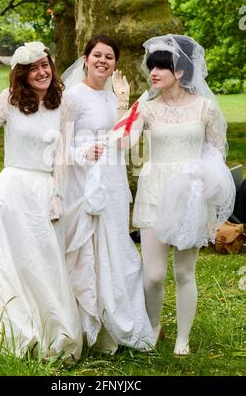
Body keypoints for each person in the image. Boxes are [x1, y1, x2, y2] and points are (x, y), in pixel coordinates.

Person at [0, 42, 82, 360]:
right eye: (34, 68)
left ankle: (48, 331)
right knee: (8, 261)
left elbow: (62, 156)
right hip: (12, 189)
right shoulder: (9, 101)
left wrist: (58, 195)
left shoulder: (63, 104)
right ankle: (8, 330)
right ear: (22, 74)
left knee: (43, 262)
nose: (42, 72)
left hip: (45, 190)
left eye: (45, 65)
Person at [119, 34, 235, 355]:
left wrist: (205, 183)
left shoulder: (205, 108)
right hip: (155, 191)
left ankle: (182, 340)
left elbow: (216, 152)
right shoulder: (147, 107)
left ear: (180, 72)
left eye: (161, 67)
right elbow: (124, 143)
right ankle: (154, 326)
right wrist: (122, 104)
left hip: (190, 196)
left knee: (184, 272)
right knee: (153, 275)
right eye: (151, 67)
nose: (153, 73)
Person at [62, 35, 155, 353]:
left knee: (117, 248)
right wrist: (85, 150)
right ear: (85, 59)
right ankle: (88, 328)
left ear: (116, 63)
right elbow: (61, 145)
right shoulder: (72, 97)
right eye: (97, 55)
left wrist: (122, 103)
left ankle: (116, 327)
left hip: (113, 180)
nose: (103, 61)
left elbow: (121, 143)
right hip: (83, 183)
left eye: (110, 57)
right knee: (89, 251)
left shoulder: (114, 94)